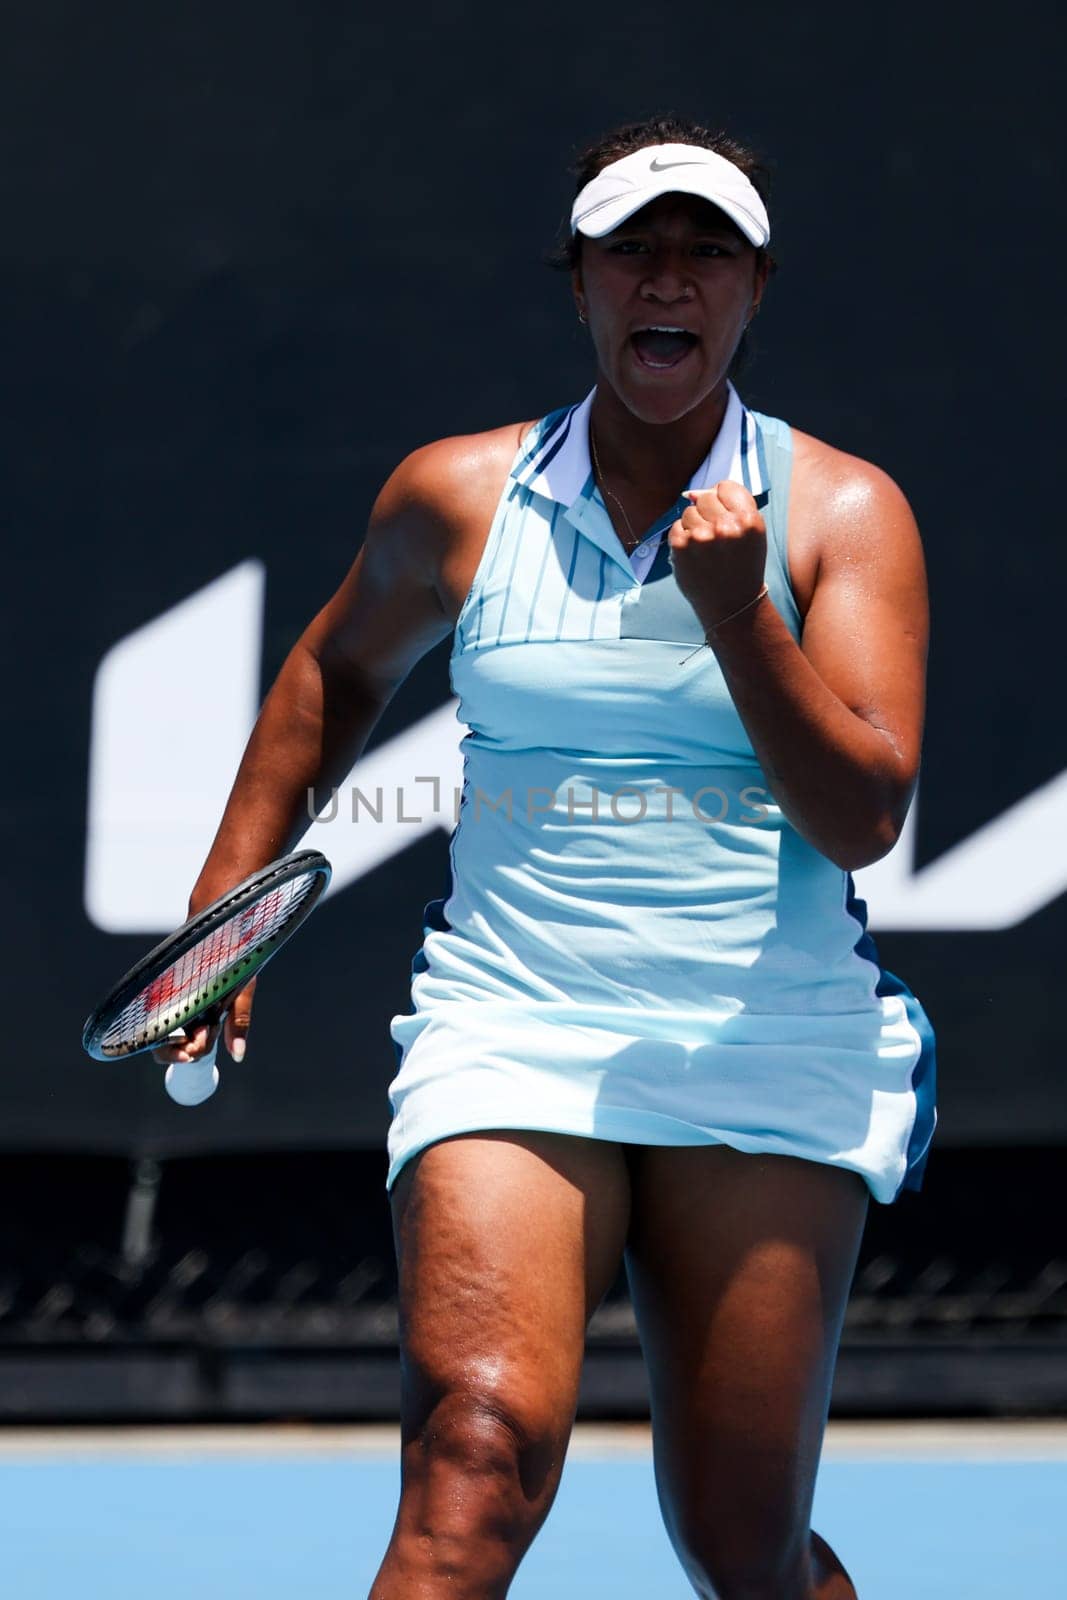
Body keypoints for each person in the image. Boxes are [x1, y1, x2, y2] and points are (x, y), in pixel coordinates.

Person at [155, 114, 935, 1599]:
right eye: (635, 247)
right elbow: (333, 676)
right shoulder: (457, 498)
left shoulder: (843, 516)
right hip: (510, 1029)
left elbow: (863, 819)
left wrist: (737, 615)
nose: (671, 277)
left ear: (756, 291)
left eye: (709, 250)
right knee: (474, 1461)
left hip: (765, 1044)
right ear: (574, 281)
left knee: (742, 1544)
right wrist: (226, 913)